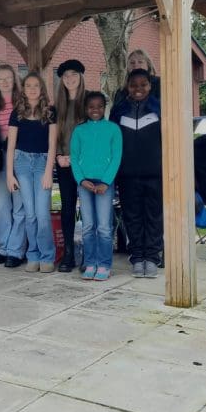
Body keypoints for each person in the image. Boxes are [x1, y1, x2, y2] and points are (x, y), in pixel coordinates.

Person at [110, 69, 163, 278]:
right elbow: (112, 142)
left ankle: (152, 257)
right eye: (133, 85)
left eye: (143, 84)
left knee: (154, 217)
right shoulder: (118, 111)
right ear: (127, 87)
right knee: (132, 217)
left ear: (150, 86)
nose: (138, 89)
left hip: (155, 173)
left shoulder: (159, 109)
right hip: (127, 174)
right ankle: (137, 257)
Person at [7, 72, 57, 273]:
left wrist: (48, 172)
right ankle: (33, 255)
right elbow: (11, 146)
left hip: (42, 162)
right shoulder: (16, 113)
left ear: (42, 89)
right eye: (28, 85)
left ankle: (47, 256)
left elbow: (52, 145)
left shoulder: (50, 112)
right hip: (22, 163)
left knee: (42, 213)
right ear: (24, 90)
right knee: (29, 214)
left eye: (36, 85)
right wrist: (10, 174)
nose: (33, 89)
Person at [71, 92, 122, 281]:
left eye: (99, 106)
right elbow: (74, 157)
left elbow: (116, 157)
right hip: (85, 183)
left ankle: (104, 265)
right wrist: (81, 180)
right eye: (91, 106)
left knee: (103, 227)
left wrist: (106, 182)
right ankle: (90, 263)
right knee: (88, 226)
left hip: (104, 184)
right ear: (85, 108)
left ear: (104, 107)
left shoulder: (113, 129)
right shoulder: (79, 131)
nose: (95, 110)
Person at [0, 64, 26, 268]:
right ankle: (3, 247)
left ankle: (16, 250)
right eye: (0, 78)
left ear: (14, 80)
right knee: (2, 205)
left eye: (8, 78)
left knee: (19, 204)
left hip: (20, 155)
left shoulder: (23, 102)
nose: (4, 82)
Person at [53, 59, 87, 273]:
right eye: (65, 76)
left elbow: (96, 135)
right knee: (67, 209)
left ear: (81, 77)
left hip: (86, 165)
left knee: (87, 210)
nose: (70, 79)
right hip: (64, 164)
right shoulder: (57, 106)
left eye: (74, 74)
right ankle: (68, 254)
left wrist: (78, 158)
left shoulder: (90, 102)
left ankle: (88, 252)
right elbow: (54, 134)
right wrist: (58, 155)